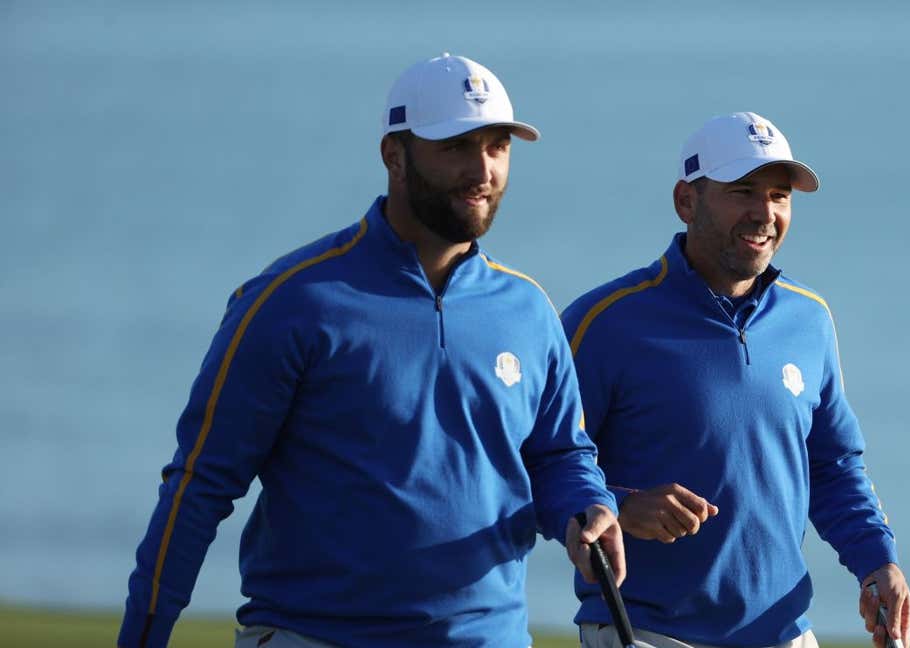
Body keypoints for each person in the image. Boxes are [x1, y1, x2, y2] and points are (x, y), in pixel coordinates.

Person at [117, 53, 624, 648]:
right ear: (394, 155)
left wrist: (588, 506)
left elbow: (559, 454)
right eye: (456, 147)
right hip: (315, 635)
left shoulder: (528, 310)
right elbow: (200, 484)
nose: (482, 169)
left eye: (496, 147)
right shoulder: (294, 300)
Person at [562, 112, 910, 648]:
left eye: (779, 195)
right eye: (743, 191)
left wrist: (876, 561)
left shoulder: (808, 317)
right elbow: (538, 464)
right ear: (686, 201)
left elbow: (833, 465)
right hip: (647, 630)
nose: (764, 213)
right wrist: (621, 505)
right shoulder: (605, 321)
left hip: (784, 632)